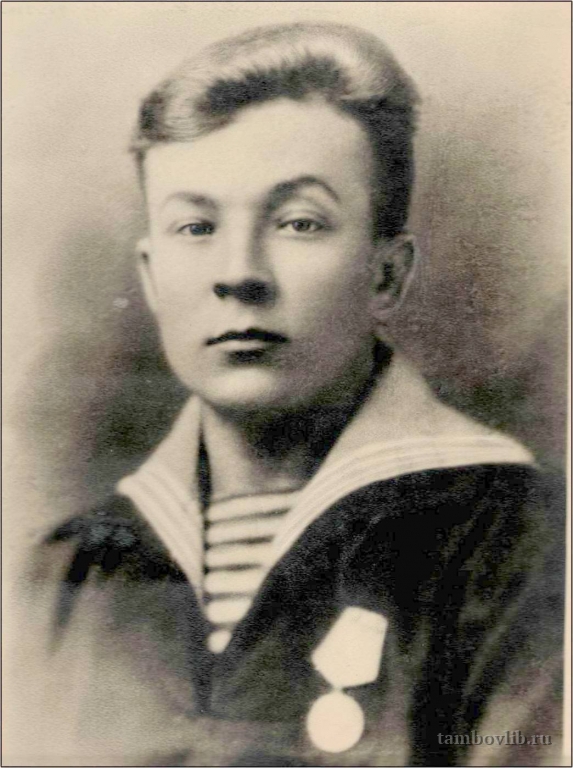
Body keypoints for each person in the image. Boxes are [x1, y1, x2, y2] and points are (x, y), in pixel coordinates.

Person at [12, 21, 563, 767]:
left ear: (386, 274)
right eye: (195, 226)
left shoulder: (522, 540)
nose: (238, 273)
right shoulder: (66, 574)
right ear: (151, 276)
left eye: (299, 222)